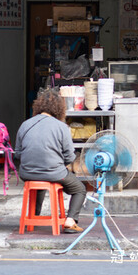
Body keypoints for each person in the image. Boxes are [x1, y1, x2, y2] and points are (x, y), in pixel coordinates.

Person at [14, 88, 86, 233]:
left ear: (38, 106)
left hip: (27, 173)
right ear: (60, 109)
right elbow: (70, 157)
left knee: (40, 183)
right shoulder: (62, 127)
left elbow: (18, 154)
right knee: (80, 189)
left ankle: (33, 216)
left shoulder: (25, 125)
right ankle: (70, 221)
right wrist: (57, 164)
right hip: (54, 173)